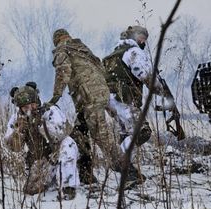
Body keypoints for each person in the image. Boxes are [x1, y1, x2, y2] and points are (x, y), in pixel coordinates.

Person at [45, 29, 123, 184]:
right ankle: (86, 174)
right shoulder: (82, 48)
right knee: (79, 134)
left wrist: (55, 97)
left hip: (89, 98)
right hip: (100, 94)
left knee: (102, 136)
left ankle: (129, 172)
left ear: (56, 40)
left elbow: (63, 71)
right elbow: (101, 68)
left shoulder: (62, 49)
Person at [102, 25, 175, 184]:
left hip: (110, 100)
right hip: (124, 101)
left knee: (126, 134)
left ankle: (129, 174)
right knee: (142, 132)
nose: (144, 41)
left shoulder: (114, 54)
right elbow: (146, 75)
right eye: (142, 37)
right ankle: (120, 161)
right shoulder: (133, 52)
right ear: (135, 37)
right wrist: (162, 91)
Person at [4, 82, 80, 200]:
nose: (30, 109)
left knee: (68, 143)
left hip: (56, 155)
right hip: (40, 162)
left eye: (32, 105)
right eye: (25, 107)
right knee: (31, 190)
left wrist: (41, 124)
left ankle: (68, 186)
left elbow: (62, 134)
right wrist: (19, 131)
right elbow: (14, 147)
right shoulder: (16, 119)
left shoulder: (50, 110)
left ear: (37, 100)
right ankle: (54, 176)